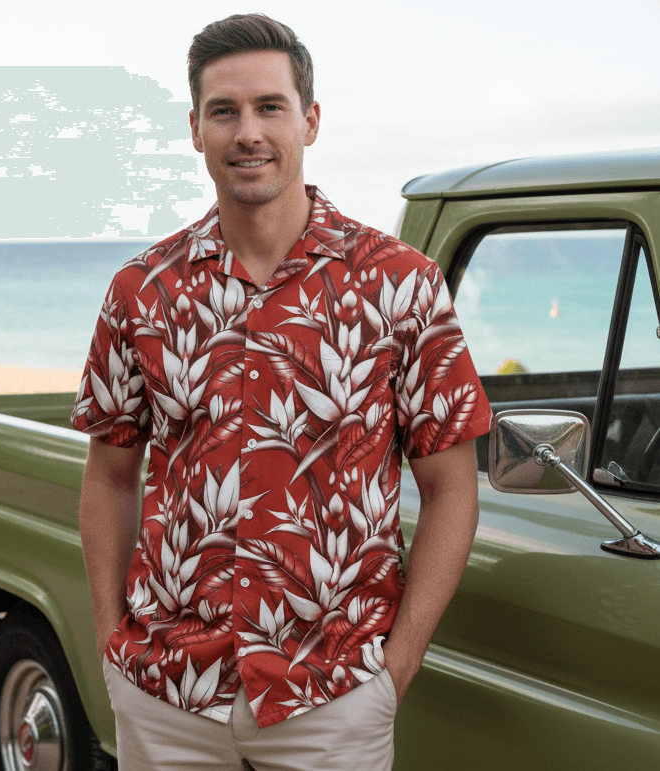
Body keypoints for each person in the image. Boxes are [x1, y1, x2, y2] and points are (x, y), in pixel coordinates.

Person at [73, 13, 492, 771]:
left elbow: (450, 488)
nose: (247, 132)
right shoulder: (142, 290)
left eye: (269, 106)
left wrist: (394, 669)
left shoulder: (399, 286)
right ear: (194, 128)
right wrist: (111, 638)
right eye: (223, 110)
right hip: (167, 691)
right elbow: (109, 474)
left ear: (310, 119)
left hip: (333, 694)